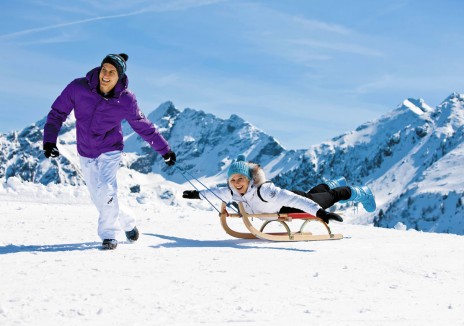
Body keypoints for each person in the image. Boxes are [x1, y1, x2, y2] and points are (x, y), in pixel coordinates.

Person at [43, 53, 177, 250]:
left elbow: (143, 126)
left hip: (110, 149)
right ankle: (128, 221)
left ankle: (109, 235)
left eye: (112, 72)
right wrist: (49, 140)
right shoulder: (78, 87)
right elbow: (57, 113)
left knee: (106, 188)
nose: (106, 74)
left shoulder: (126, 99)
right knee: (99, 196)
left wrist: (164, 150)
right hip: (85, 150)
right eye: (104, 69)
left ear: (119, 77)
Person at [182, 155, 376, 222]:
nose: (237, 183)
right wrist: (197, 194)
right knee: (314, 194)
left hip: (292, 204)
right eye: (232, 180)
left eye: (240, 178)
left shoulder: (264, 191)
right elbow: (215, 192)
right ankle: (332, 183)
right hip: (290, 201)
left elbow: (296, 201)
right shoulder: (232, 191)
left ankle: (358, 192)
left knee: (328, 198)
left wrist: (319, 213)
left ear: (249, 179)